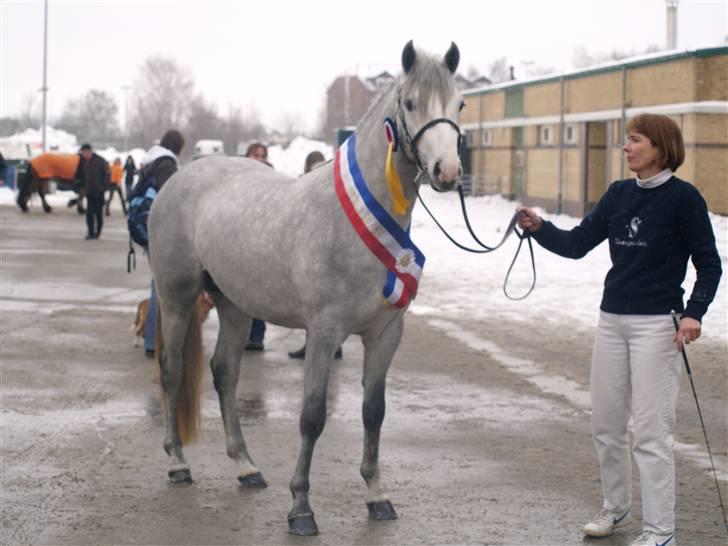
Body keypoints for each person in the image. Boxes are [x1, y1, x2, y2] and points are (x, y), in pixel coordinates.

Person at [517, 114, 721, 546]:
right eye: (626, 140)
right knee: (606, 424)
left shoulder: (684, 199)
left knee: (650, 432)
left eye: (635, 140)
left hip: (657, 327)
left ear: (661, 148)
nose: (625, 147)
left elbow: (710, 263)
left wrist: (694, 312)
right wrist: (539, 229)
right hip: (611, 321)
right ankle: (616, 506)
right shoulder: (618, 194)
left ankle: (660, 530)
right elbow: (576, 245)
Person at [287, 150, 343, 360]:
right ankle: (317, 345)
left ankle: (331, 345)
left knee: (324, 304)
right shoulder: (310, 186)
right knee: (317, 305)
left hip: (325, 252)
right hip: (316, 250)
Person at [141, 129, 185, 358]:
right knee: (161, 289)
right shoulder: (166, 164)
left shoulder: (152, 160)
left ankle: (151, 339)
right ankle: (153, 341)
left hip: (146, 229)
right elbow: (169, 199)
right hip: (158, 231)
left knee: (157, 286)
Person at [244, 142, 271, 351]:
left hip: (263, 247)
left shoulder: (272, 178)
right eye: (256, 155)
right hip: (244, 245)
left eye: (263, 155)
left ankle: (256, 336)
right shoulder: (240, 179)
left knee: (258, 295)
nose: (260, 159)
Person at [78, 143, 110, 239]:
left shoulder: (100, 161)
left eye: (83, 152)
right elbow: (81, 176)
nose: (83, 155)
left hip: (99, 193)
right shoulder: (84, 163)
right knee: (89, 213)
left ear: (89, 151)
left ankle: (97, 232)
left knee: (98, 213)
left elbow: (107, 175)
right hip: (90, 192)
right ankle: (91, 232)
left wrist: (103, 188)